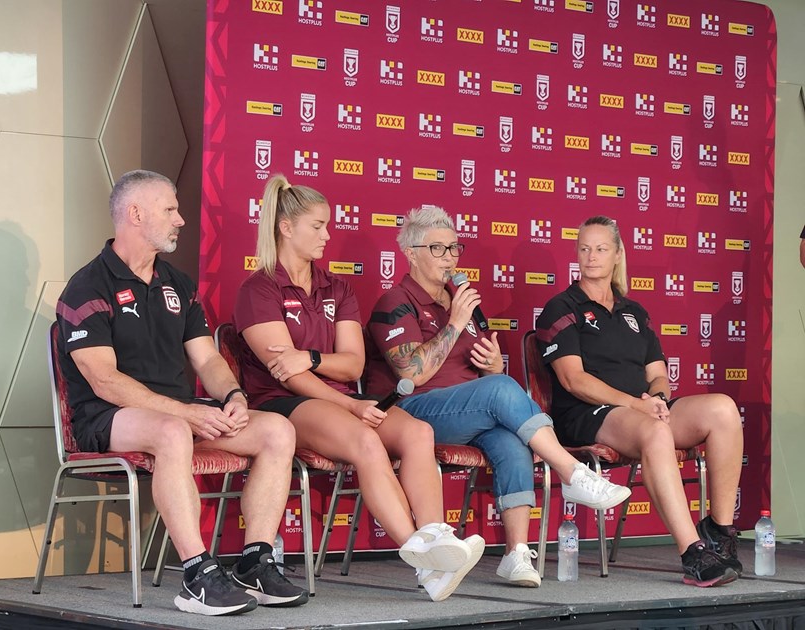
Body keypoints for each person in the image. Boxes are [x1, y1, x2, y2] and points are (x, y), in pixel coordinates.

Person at [56, 170, 308, 616]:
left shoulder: (179, 284)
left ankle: (255, 561)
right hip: (108, 418)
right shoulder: (87, 287)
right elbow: (103, 380)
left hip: (180, 413)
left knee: (276, 431)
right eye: (170, 209)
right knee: (172, 431)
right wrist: (187, 415)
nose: (181, 220)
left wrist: (233, 396)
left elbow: (208, 360)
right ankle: (197, 576)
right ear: (136, 214)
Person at [233, 175, 483, 602]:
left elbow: (353, 362)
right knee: (367, 441)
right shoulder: (259, 289)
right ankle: (426, 563)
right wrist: (346, 404)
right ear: (286, 228)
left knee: (417, 432)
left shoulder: (338, 287)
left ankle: (438, 538)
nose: (328, 235)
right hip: (285, 404)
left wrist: (311, 357)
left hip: (341, 397)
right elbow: (288, 376)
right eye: (318, 226)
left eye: (328, 225)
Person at [364, 206, 631, 588]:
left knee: (511, 441)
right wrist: (456, 324)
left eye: (454, 248)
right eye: (438, 249)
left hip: (468, 411)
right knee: (501, 390)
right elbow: (411, 372)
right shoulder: (395, 302)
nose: (450, 258)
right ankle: (570, 470)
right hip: (413, 413)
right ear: (410, 252)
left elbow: (482, 375)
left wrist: (490, 366)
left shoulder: (464, 303)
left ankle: (515, 553)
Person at [536, 215, 744, 588]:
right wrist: (637, 405)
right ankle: (693, 553)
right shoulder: (561, 306)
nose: (591, 256)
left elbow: (658, 372)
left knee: (723, 409)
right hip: (588, 414)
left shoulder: (634, 312)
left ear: (617, 254)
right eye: (584, 248)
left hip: (640, 408)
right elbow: (574, 380)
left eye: (601, 249)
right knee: (655, 432)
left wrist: (659, 399)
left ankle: (719, 531)